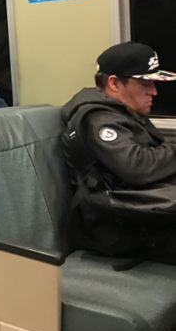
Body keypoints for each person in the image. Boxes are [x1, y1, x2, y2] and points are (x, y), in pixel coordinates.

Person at [61, 42, 176, 264]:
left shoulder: (125, 113)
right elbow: (138, 167)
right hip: (123, 226)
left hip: (148, 211)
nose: (154, 91)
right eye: (145, 83)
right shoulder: (98, 120)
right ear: (114, 83)